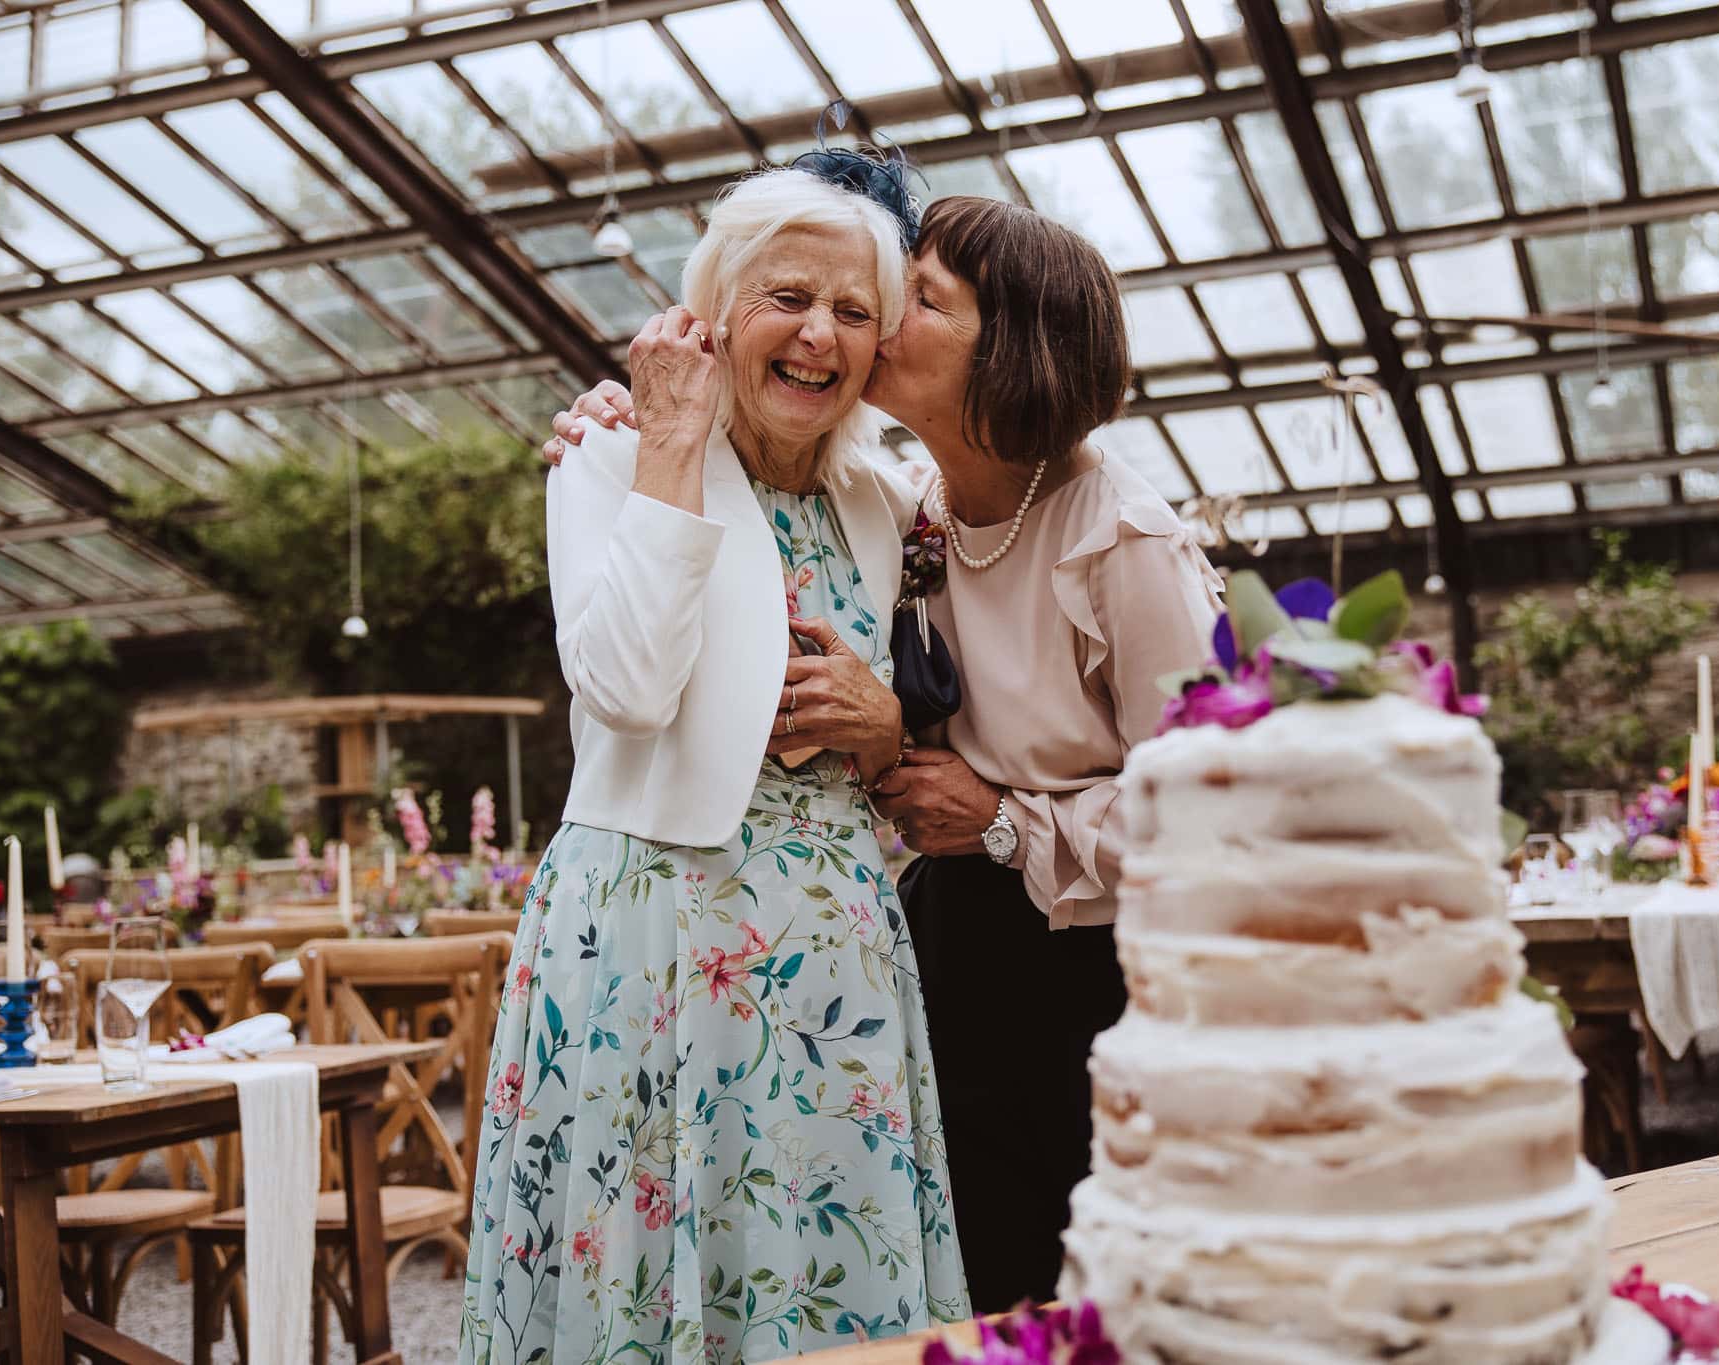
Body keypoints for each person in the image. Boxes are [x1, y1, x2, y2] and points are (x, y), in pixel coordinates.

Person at [546, 195, 1222, 1312]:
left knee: (1094, 1287)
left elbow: (1219, 810)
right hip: (933, 948)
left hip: (1093, 972)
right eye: (813, 299)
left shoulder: (1119, 537)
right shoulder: (910, 510)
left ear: (1006, 347)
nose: (867, 322)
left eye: (910, 300)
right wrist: (639, 426)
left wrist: (1003, 817)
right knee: (975, 1275)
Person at [466, 164, 968, 1365]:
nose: (817, 334)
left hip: (835, 943)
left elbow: (915, 738)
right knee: (654, 1274)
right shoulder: (611, 455)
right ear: (710, 312)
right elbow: (628, 692)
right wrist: (675, 444)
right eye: (784, 297)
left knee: (831, 1270)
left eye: (854, 312)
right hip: (652, 931)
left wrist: (886, 727)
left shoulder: (889, 502)